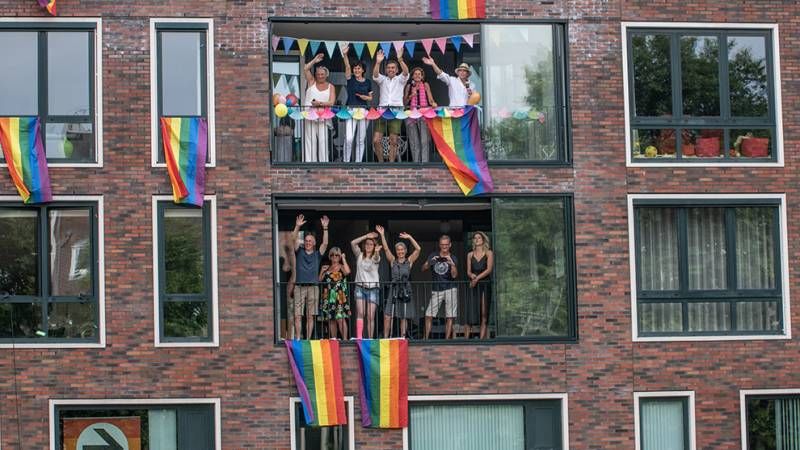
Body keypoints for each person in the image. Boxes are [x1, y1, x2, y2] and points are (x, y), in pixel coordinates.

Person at [376, 225, 421, 338]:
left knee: (403, 316)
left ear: (405, 251)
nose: (400, 251)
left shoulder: (409, 261)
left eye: (402, 250)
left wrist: (410, 237)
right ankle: (386, 338)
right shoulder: (392, 261)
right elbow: (386, 249)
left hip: (405, 289)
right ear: (396, 251)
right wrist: (382, 235)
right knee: (388, 315)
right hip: (394, 288)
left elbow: (418, 249)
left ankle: (402, 337)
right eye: (398, 250)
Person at [291, 214, 330, 339]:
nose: (308, 243)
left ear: (314, 243)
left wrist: (325, 228)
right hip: (299, 287)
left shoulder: (318, 254)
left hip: (313, 287)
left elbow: (325, 243)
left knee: (310, 315)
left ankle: (307, 339)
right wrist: (297, 226)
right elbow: (293, 240)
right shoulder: (299, 252)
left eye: (310, 241)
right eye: (306, 241)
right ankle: (298, 338)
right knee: (297, 315)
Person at [372, 49, 409, 162]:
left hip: (396, 111)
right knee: (376, 140)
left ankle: (392, 164)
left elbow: (406, 72)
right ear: (386, 70)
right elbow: (375, 75)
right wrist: (378, 62)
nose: (390, 69)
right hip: (382, 110)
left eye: (393, 68)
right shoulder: (383, 79)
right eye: (388, 68)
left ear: (397, 70)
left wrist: (400, 59)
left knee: (393, 140)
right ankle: (381, 163)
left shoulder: (401, 79)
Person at [422, 235, 458, 339]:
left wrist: (452, 264)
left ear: (450, 245)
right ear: (439, 245)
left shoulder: (453, 257)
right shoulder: (433, 255)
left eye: (446, 245)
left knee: (450, 316)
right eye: (442, 245)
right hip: (436, 289)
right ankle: (425, 339)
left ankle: (447, 340)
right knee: (429, 315)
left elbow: (455, 275)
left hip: (450, 288)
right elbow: (423, 268)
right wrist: (430, 262)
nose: (444, 247)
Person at [342, 46, 373, 163]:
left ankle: (358, 163)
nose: (356, 70)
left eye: (359, 68)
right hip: (351, 110)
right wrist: (345, 55)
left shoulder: (368, 82)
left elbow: (371, 97)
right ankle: (346, 161)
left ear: (363, 70)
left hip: (364, 111)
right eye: (355, 68)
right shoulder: (350, 80)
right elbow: (347, 67)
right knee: (349, 138)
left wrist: (366, 97)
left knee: (360, 139)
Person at [303, 53, 336, 162]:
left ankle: (323, 164)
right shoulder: (311, 82)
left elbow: (331, 102)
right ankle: (309, 163)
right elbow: (305, 69)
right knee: (310, 141)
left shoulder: (331, 86)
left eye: (322, 74)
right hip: (310, 116)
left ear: (326, 75)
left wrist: (319, 104)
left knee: (323, 141)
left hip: (323, 117)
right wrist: (314, 60)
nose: (320, 76)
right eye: (318, 74)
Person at [351, 231, 382, 339]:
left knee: (370, 316)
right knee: (360, 313)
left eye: (371, 244)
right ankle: (359, 337)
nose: (368, 246)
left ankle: (370, 338)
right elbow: (353, 243)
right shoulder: (359, 255)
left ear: (374, 246)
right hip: (360, 287)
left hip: (373, 289)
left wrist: (377, 252)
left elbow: (377, 257)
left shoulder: (375, 257)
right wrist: (366, 236)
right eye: (367, 243)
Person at [403, 67, 436, 163]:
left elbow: (430, 99)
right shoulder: (409, 86)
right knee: (414, 142)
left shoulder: (425, 85)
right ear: (412, 76)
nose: (417, 76)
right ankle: (416, 163)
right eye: (415, 74)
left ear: (422, 77)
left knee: (424, 141)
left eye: (419, 74)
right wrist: (411, 95)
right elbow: (404, 103)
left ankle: (424, 163)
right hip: (411, 116)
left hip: (423, 115)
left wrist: (434, 103)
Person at [466, 231, 494, 339]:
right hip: (473, 284)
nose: (477, 239)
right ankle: (466, 340)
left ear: (483, 240)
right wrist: (472, 275)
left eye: (479, 238)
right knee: (471, 312)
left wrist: (477, 278)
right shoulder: (470, 254)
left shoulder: (489, 253)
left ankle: (482, 339)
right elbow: (468, 271)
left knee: (483, 313)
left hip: (484, 284)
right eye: (475, 238)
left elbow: (489, 269)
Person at [319, 247, 351, 339]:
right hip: (328, 296)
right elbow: (320, 280)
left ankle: (345, 340)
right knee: (331, 319)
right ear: (330, 256)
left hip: (339, 296)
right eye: (332, 255)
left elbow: (348, 272)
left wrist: (344, 259)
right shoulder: (327, 268)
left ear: (339, 256)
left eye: (337, 255)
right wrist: (322, 270)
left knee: (340, 319)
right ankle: (334, 339)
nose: (334, 257)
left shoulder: (341, 266)